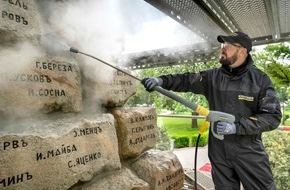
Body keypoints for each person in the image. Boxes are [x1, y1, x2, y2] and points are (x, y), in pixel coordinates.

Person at [141, 32, 282, 190]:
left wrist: (237, 127)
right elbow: (186, 80)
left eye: (227, 45)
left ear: (242, 51)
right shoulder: (213, 77)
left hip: (248, 150)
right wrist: (161, 80)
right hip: (218, 150)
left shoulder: (260, 80)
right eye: (222, 45)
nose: (222, 48)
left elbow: (272, 117)